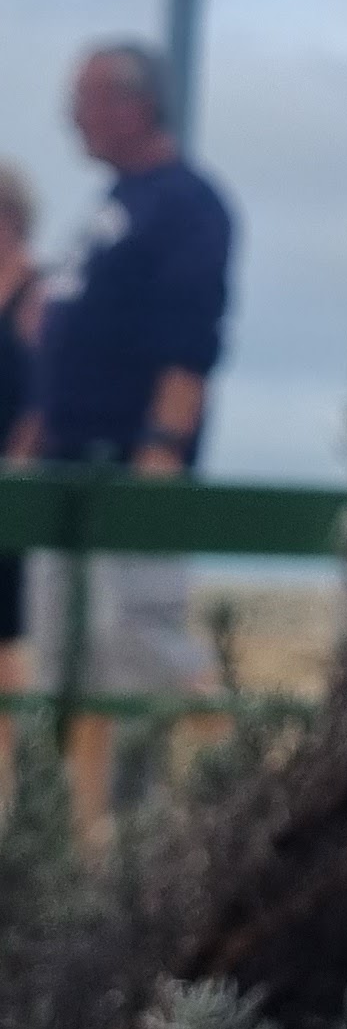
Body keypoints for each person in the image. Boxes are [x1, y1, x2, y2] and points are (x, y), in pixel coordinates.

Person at [6, 44, 236, 812]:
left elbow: (190, 340)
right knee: (69, 669)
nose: (73, 118)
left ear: (133, 106)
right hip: (66, 474)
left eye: (87, 100)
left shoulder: (185, 204)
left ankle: (233, 791)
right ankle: (74, 832)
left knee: (145, 651)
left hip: (127, 474)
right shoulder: (113, 205)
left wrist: (160, 454)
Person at [0, 163, 40, 717]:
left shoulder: (36, 291)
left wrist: (19, 462)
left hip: (15, 479)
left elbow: (43, 396)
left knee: (5, 633)